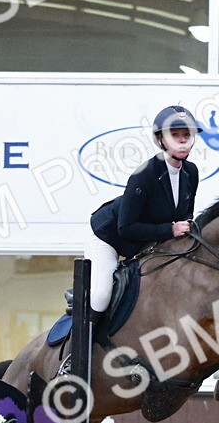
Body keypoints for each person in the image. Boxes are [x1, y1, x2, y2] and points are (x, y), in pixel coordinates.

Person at [86, 105, 201, 321]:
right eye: (174, 135)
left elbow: (186, 215)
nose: (182, 140)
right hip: (109, 236)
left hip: (145, 242)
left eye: (187, 135)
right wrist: (170, 229)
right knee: (101, 296)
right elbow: (126, 227)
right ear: (161, 140)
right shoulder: (145, 174)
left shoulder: (191, 172)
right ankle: (81, 350)